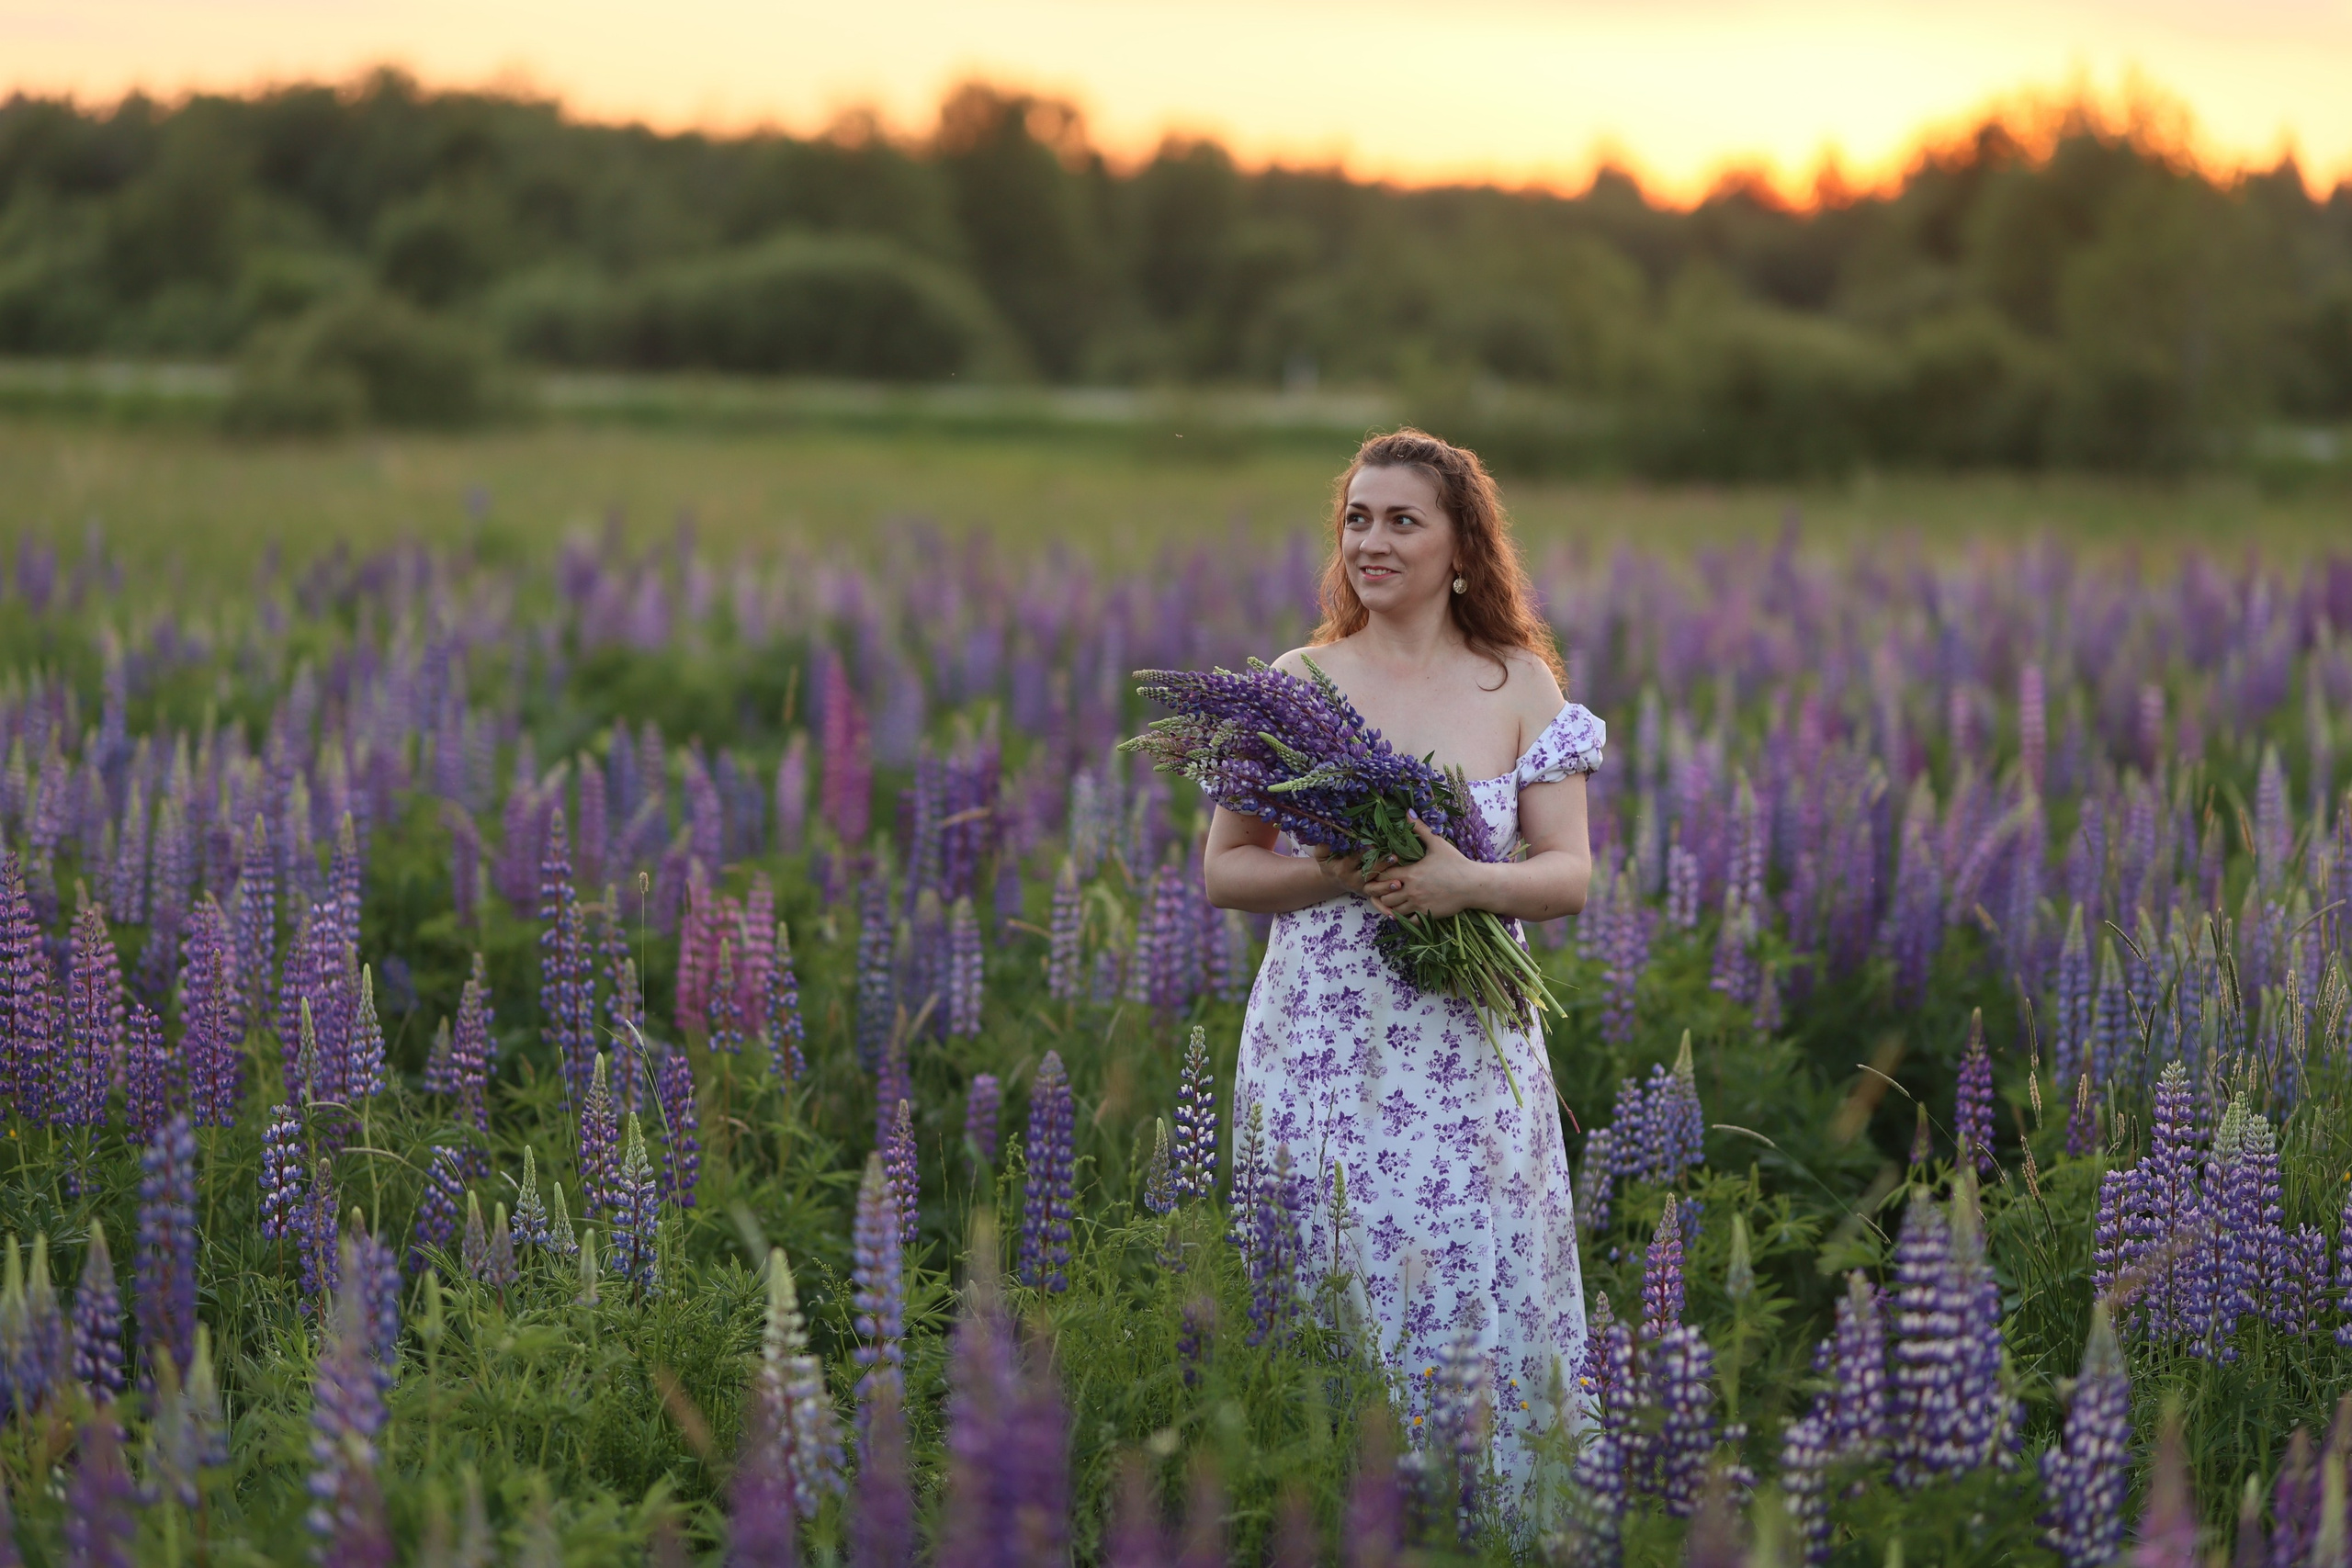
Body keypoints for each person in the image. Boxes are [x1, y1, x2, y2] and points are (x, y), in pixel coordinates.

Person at [1202, 427, 1602, 1483]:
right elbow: (1228, 871)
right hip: (1320, 1043)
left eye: (1401, 521)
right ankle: (1327, 1512)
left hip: (1464, 1050)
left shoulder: (1517, 685)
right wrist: (1334, 873)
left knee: (1469, 1274)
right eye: (1357, 518)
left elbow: (1568, 874)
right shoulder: (1295, 682)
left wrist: (1465, 884)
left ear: (1461, 547)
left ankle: (1491, 1520)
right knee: (1327, 1276)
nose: (1371, 541)